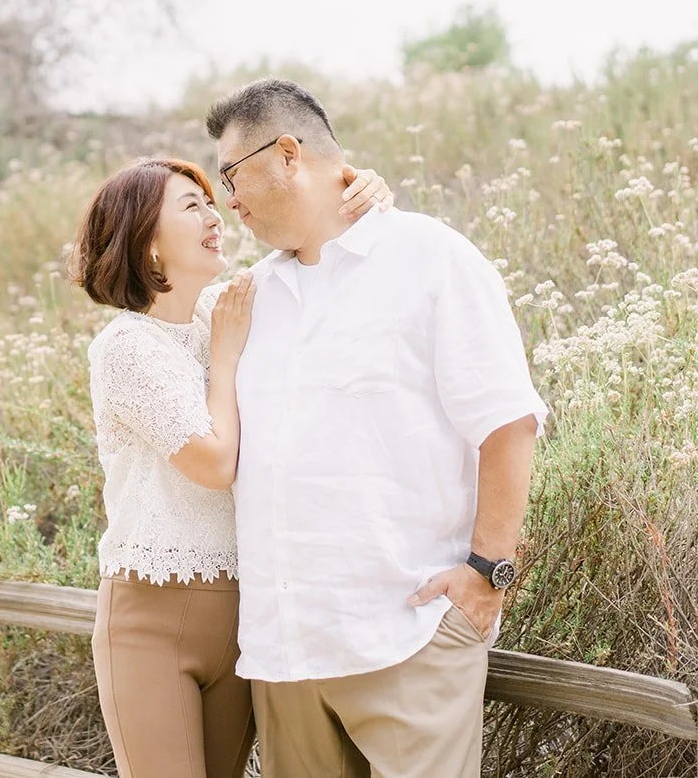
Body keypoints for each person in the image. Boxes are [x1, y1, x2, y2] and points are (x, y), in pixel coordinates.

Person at [205, 78, 548, 778]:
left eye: (232, 176)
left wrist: (488, 575)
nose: (229, 201)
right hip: (284, 655)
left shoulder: (432, 259)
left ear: (289, 154)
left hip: (408, 638)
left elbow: (508, 422)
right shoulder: (250, 298)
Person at [68, 155, 390, 778]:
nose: (215, 218)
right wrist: (225, 354)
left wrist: (362, 193)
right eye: (191, 207)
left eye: (212, 203)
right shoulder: (125, 347)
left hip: (246, 613)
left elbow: (321, 268)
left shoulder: (227, 307)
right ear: (147, 242)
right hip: (149, 618)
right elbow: (215, 463)